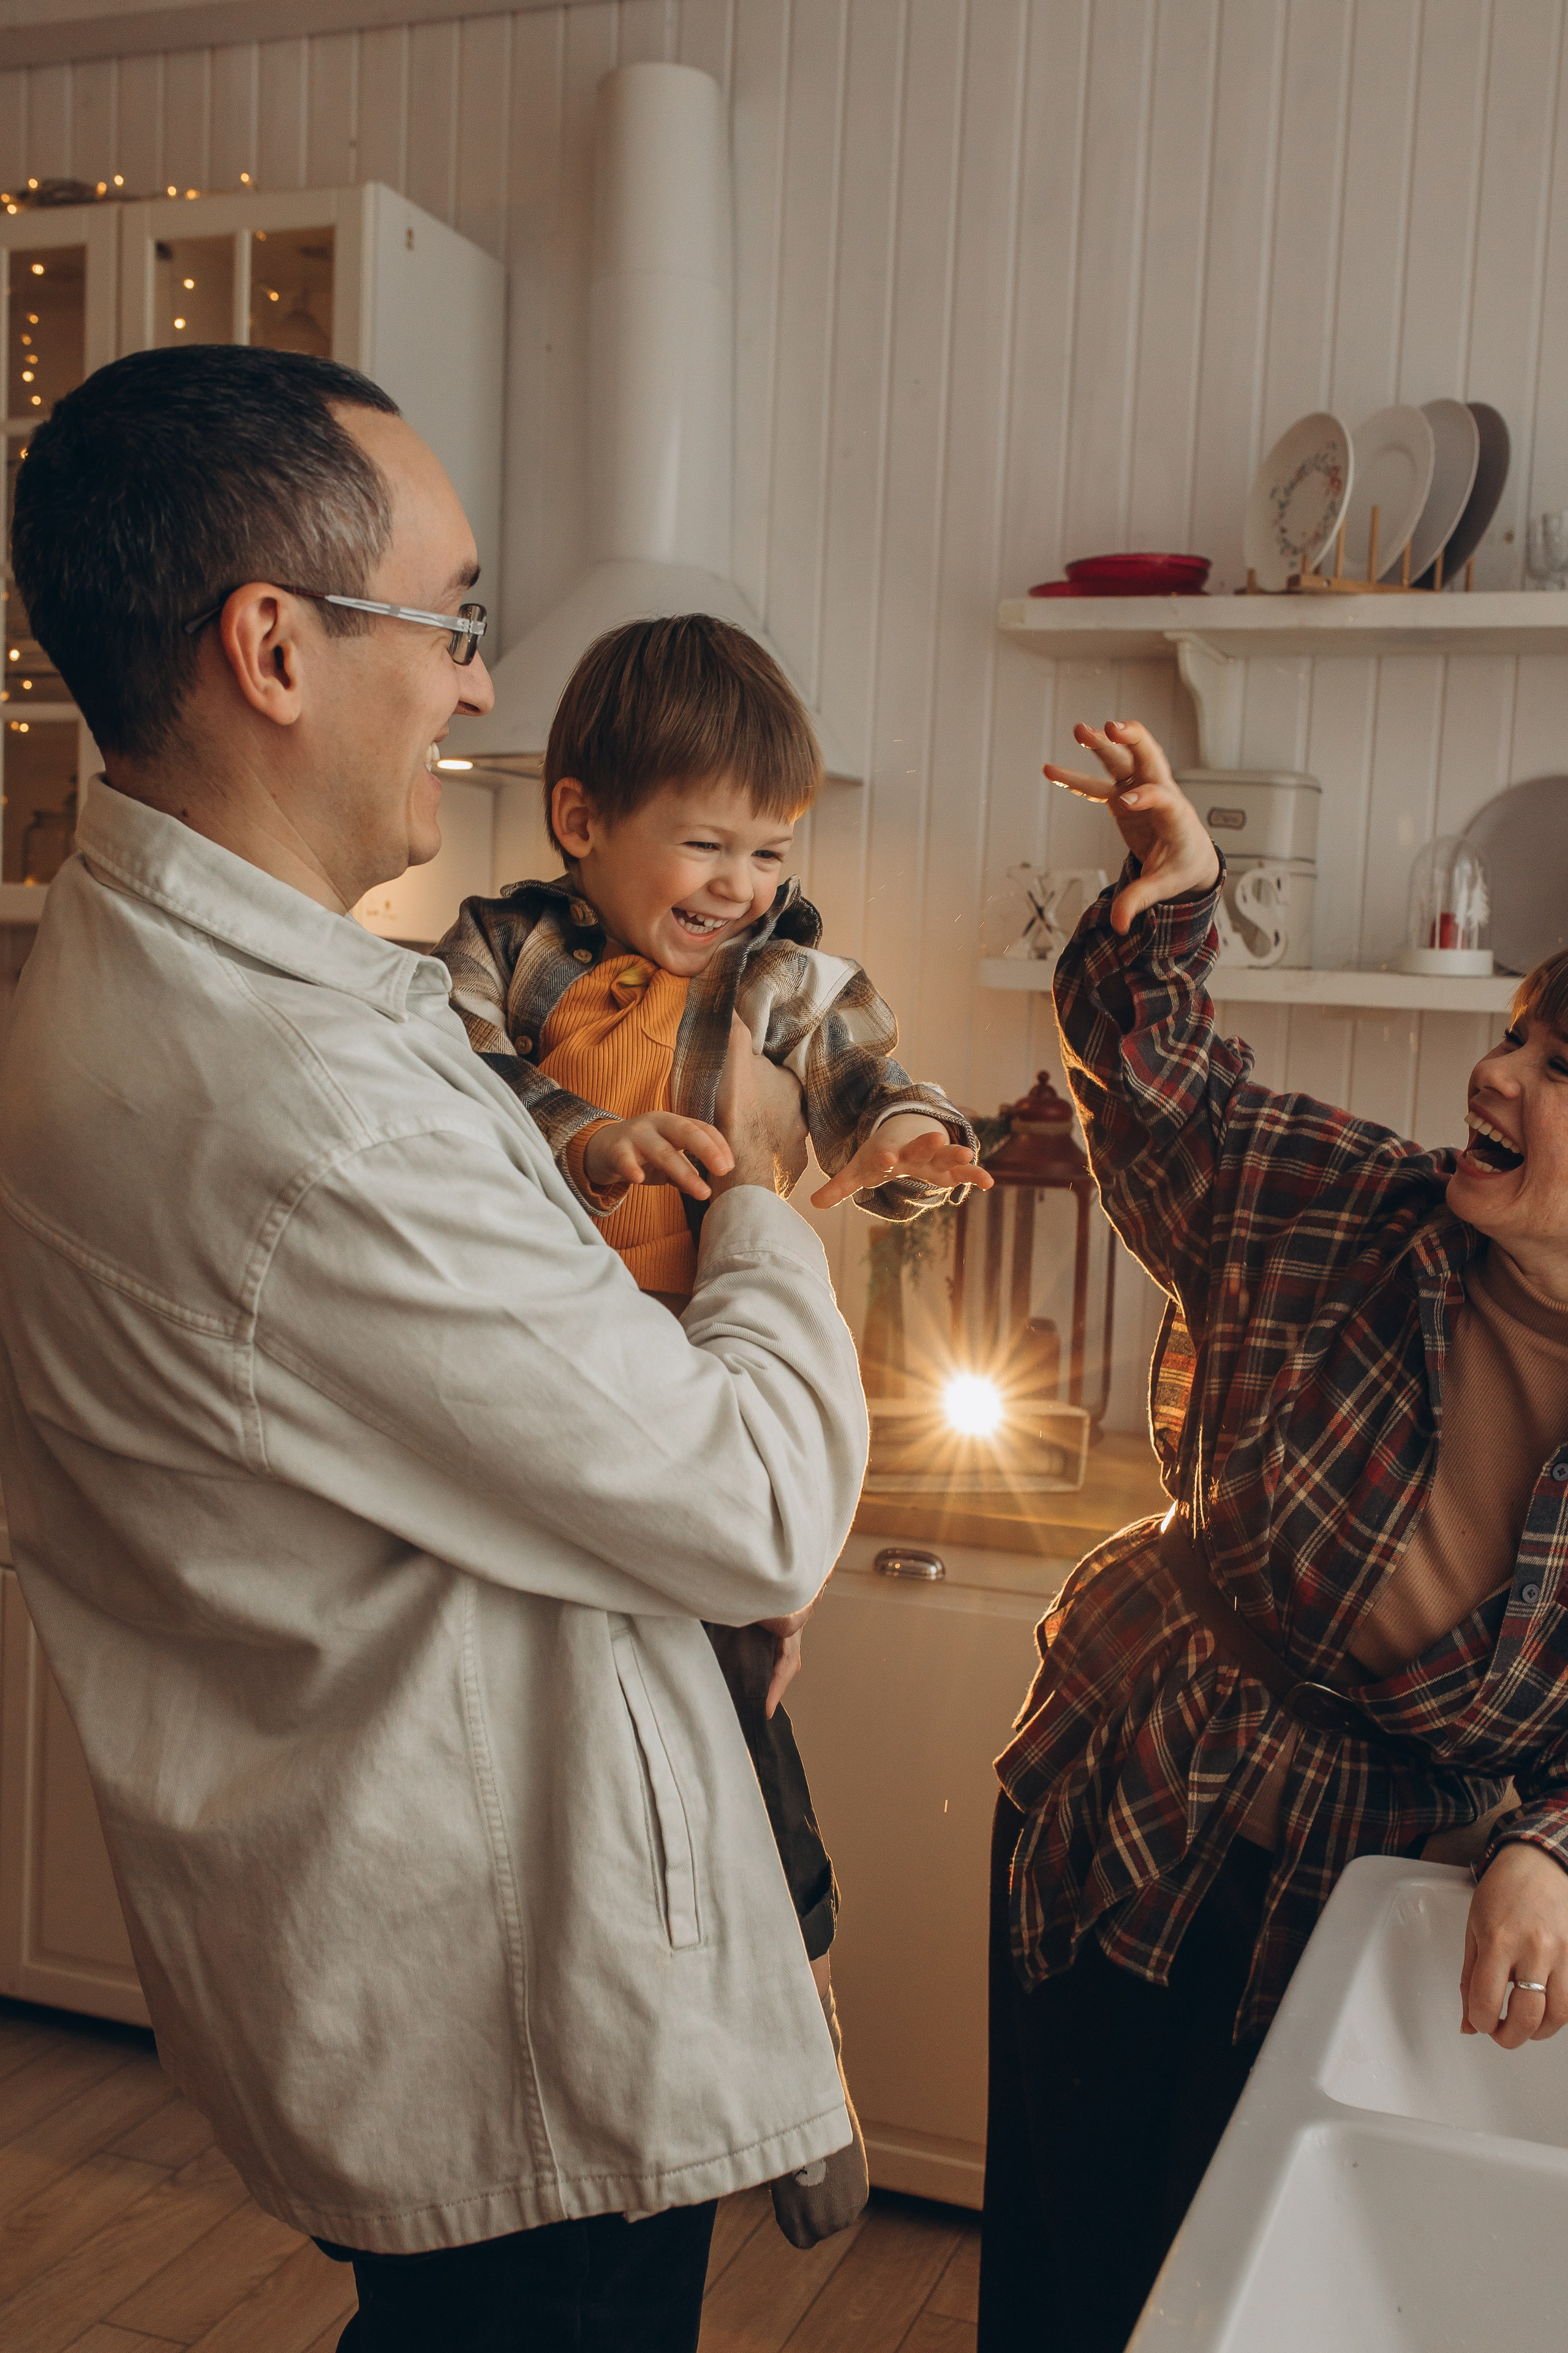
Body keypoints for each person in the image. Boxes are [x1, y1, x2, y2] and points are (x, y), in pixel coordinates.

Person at [0, 344, 871, 2353]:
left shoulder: (192, 972)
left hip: (423, 1958)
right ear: (273, 650)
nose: (480, 685)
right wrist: (761, 1193)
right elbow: (753, 1500)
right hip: (519, 2009)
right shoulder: (309, 1107)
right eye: (454, 620)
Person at [978, 717, 1568, 2353]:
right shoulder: (1356, 1208)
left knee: (1261, 2305)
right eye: (1514, 1034)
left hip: (1373, 1901)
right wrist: (1176, 894)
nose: (1496, 1075)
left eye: (1560, 1068)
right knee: (1067, 2292)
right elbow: (1155, 1097)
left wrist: (1550, 1844)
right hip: (1129, 1788)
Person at [435, 610, 990, 2247]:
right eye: (708, 844)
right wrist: (587, 1141)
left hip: (703, 1381)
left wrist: (909, 1142)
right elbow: (446, 1081)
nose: (742, 884)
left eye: (771, 850)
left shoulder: (784, 978)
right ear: (581, 818)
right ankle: (593, 2037)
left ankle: (801, 2023)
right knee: (587, 1741)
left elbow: (867, 1073)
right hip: (549, 1380)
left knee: (743, 1702)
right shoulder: (501, 954)